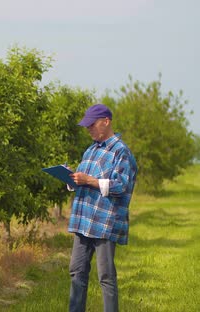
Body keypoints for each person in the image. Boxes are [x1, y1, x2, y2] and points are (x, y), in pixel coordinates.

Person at [67, 103, 137, 312]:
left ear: (106, 122)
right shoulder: (90, 150)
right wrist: (72, 179)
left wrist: (89, 180)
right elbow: (83, 180)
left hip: (105, 222)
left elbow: (122, 186)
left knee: (105, 276)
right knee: (76, 270)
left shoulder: (121, 152)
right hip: (84, 219)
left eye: (92, 125)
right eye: (86, 126)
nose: (88, 129)